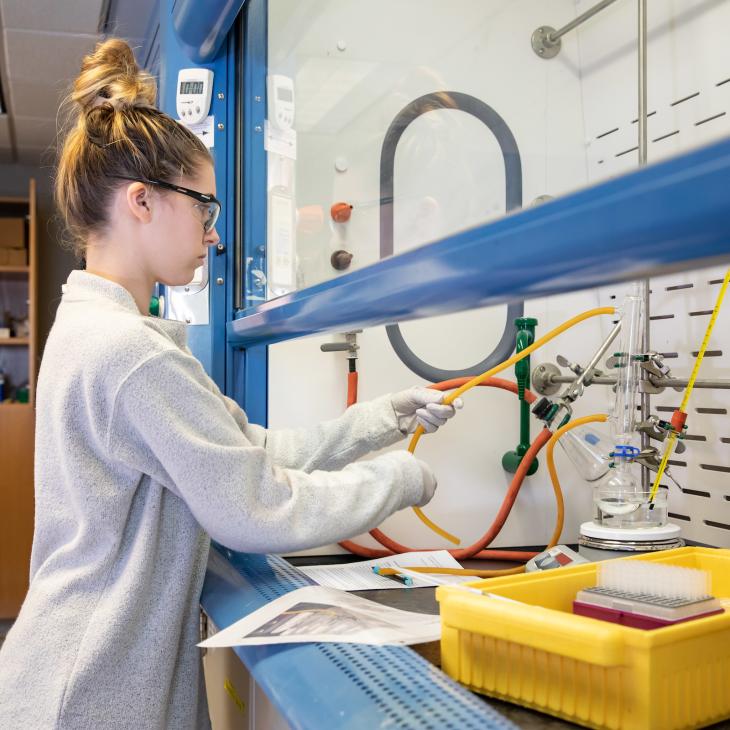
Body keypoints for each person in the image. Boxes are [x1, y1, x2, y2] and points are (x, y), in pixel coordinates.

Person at [0, 40, 461, 729]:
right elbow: (258, 508)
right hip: (93, 686)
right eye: (205, 209)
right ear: (142, 202)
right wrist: (402, 480)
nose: (215, 235)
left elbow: (247, 449)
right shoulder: (131, 355)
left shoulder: (97, 328)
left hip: (87, 671)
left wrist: (382, 419)